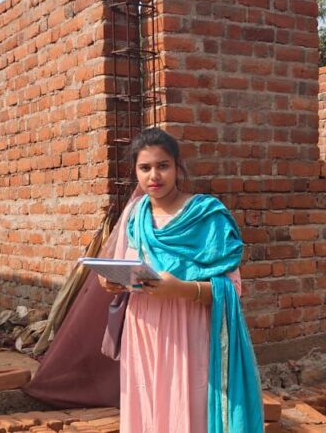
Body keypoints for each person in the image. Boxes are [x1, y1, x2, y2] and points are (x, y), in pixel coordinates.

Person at [98, 128, 263, 432]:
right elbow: (120, 265)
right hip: (143, 330)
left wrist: (180, 289)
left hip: (190, 331)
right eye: (145, 167)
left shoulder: (206, 216)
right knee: (148, 409)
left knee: (187, 408)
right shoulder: (135, 215)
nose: (154, 176)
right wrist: (111, 282)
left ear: (177, 167)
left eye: (163, 165)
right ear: (135, 171)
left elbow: (233, 288)